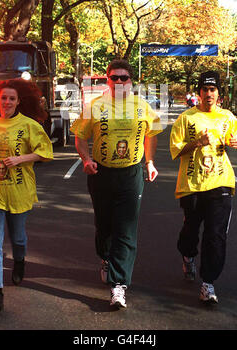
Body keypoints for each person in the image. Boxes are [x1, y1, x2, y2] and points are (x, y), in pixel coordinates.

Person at [71, 59, 162, 309]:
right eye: (114, 78)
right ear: (108, 80)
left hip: (131, 174)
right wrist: (86, 159)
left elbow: (151, 134)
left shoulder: (142, 107)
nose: (119, 82)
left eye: (124, 78)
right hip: (101, 173)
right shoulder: (95, 106)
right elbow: (80, 136)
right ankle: (105, 256)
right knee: (104, 225)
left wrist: (150, 162)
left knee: (126, 229)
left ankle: (119, 285)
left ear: (131, 81)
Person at [0, 78, 53, 312]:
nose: (7, 102)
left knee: (18, 238)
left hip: (18, 189)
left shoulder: (29, 125)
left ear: (18, 102)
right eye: (3, 97)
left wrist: (21, 159)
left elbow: (45, 152)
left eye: (11, 98)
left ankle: (19, 261)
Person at [170, 70, 237, 304]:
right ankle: (188, 255)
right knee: (191, 230)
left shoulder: (227, 117)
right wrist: (197, 142)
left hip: (220, 183)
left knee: (215, 235)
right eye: (205, 90)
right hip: (192, 184)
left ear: (219, 94)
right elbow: (176, 151)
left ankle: (208, 283)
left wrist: (235, 141)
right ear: (199, 93)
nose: (209, 94)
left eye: (213, 90)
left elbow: (235, 137)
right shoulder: (186, 118)